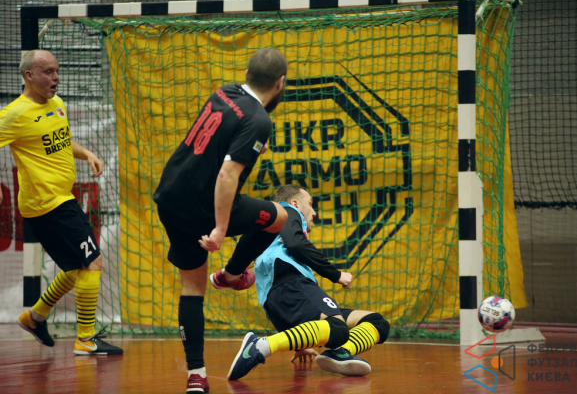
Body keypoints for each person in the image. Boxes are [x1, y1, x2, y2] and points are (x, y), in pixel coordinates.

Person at [152, 48, 289, 393]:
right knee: (282, 218)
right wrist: (220, 228)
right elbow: (227, 176)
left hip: (170, 195)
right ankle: (230, 274)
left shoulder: (225, 91)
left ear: (246, 74)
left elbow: (217, 136)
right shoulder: (260, 120)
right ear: (280, 83)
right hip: (204, 205)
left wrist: (251, 145)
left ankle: (196, 375)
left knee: (192, 288)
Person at [0, 50, 122, 356]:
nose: (56, 78)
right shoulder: (15, 113)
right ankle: (85, 339)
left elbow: (63, 139)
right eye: (48, 72)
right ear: (29, 75)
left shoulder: (56, 104)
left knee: (74, 268)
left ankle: (34, 317)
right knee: (92, 262)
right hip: (46, 204)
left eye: (57, 71)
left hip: (62, 199)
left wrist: (87, 154)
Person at [227, 184, 390, 380]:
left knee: (376, 322)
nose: (314, 212)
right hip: (291, 285)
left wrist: (301, 343)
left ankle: (339, 352)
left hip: (282, 298)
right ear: (295, 203)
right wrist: (335, 274)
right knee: (337, 328)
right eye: (311, 204)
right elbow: (295, 243)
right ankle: (261, 346)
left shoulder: (269, 233)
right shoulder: (286, 210)